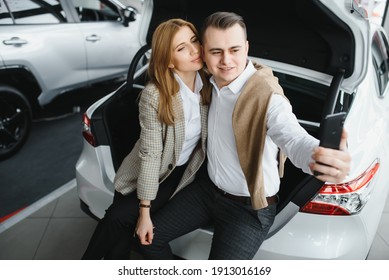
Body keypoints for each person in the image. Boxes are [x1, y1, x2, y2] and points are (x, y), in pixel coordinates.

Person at [138, 11, 352, 260]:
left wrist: (319, 157)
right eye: (216, 51)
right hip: (207, 191)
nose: (226, 60)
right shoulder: (208, 80)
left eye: (235, 50)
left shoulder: (267, 96)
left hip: (249, 209)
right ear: (204, 53)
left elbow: (292, 137)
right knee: (147, 239)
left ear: (247, 47)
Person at [81, 18, 211, 259]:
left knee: (118, 221)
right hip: (147, 171)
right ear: (169, 61)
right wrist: (144, 212)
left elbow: (244, 69)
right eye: (182, 48)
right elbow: (151, 156)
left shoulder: (210, 84)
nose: (194, 50)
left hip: (179, 174)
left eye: (194, 40)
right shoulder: (155, 96)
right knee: (120, 222)